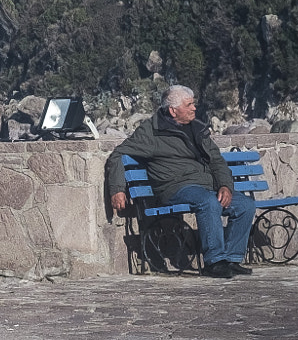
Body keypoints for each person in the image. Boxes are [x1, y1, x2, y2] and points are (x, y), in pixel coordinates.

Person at [106, 84, 255, 279]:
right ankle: (215, 262)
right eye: (189, 105)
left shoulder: (197, 129)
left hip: (205, 186)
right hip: (174, 188)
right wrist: (117, 189)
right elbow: (118, 154)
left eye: (193, 104)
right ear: (173, 110)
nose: (194, 108)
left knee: (245, 204)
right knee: (208, 202)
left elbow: (217, 160)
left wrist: (226, 185)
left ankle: (232, 259)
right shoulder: (151, 132)